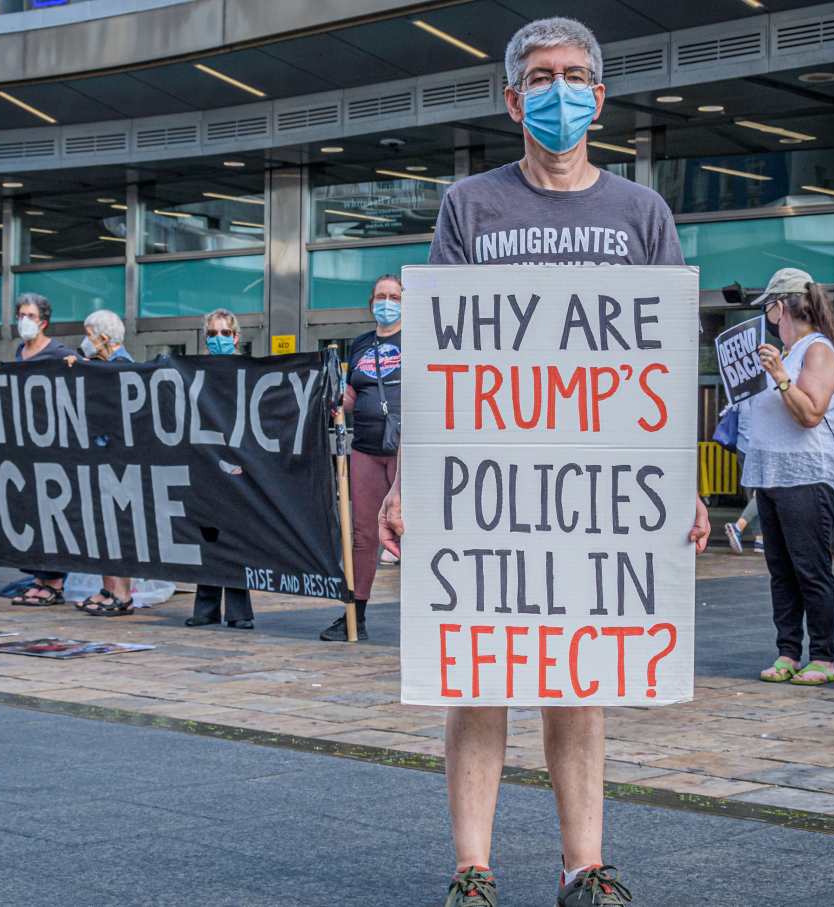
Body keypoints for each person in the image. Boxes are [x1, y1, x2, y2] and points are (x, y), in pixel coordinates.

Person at [379, 18, 710, 907]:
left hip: (599, 492)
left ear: (598, 97)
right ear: (513, 96)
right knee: (478, 676)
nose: (556, 90)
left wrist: (686, 486)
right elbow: (437, 360)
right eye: (539, 76)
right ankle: (473, 870)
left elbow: (669, 369)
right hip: (485, 489)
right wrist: (410, 483)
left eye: (573, 75)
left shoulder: (642, 214)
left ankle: (581, 867)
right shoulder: (470, 207)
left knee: (578, 680)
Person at [745, 268, 834, 687]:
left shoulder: (817, 350)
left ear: (780, 306)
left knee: (811, 568)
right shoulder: (786, 352)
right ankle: (788, 650)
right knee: (781, 570)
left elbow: (810, 413)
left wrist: (780, 378)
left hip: (805, 474)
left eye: (768, 307)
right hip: (772, 474)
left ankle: (822, 656)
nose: (768, 316)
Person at [319, 274, 402, 642]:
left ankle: (427, 617)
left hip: (406, 450)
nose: (387, 302)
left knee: (411, 532)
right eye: (381, 296)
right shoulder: (361, 344)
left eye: (394, 296)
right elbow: (352, 392)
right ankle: (356, 614)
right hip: (366, 447)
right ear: (371, 303)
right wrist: (337, 401)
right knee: (363, 534)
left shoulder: (421, 339)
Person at [0, 293, 76, 606]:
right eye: (20, 314)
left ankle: (54, 582)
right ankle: (39, 578)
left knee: (51, 516)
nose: (24, 320)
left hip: (52, 449)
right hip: (26, 449)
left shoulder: (57, 351)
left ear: (43, 321)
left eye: (30, 315)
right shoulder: (20, 351)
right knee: (30, 514)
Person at [185, 308, 255, 630]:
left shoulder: (249, 372)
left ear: (236, 337)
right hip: (206, 465)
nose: (218, 339)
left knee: (237, 538)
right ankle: (206, 608)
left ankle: (239, 612)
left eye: (224, 334)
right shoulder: (196, 372)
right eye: (212, 334)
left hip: (239, 465)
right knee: (208, 536)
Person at [70, 310, 137, 617]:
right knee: (102, 529)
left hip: (118, 465)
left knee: (116, 528)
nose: (86, 341)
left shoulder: (123, 368)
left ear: (104, 338)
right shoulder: (101, 366)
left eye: (89, 334)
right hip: (102, 461)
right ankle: (109, 588)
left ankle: (121, 594)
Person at [723, 397, 764, 555]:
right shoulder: (760, 384)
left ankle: (760, 539)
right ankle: (738, 526)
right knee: (763, 492)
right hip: (758, 448)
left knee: (752, 494)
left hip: (742, 446)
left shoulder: (741, 385)